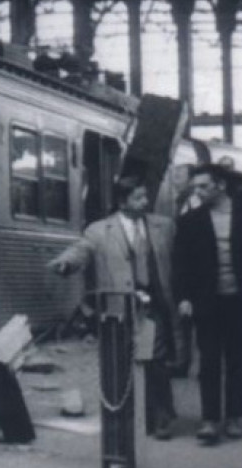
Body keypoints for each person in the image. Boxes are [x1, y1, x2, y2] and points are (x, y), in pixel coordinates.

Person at [48, 175, 177, 438]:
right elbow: (82, 249)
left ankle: (161, 416)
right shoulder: (99, 230)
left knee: (156, 358)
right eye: (138, 197)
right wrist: (66, 263)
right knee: (122, 359)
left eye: (145, 196)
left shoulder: (164, 226)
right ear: (122, 201)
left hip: (154, 302)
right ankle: (130, 414)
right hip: (119, 303)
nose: (144, 202)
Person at [174, 163, 242, 445]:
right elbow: (180, 264)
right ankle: (209, 419)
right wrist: (182, 297)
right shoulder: (191, 220)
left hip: (241, 299)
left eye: (204, 186)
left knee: (237, 359)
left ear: (220, 185)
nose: (199, 191)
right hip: (207, 300)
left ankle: (233, 417)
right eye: (195, 187)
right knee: (208, 360)